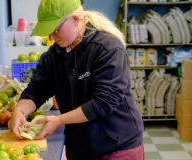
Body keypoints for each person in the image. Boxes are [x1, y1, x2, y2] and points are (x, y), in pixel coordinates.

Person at [9, 0, 145, 159]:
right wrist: (18, 111)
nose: (52, 37)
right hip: (79, 147)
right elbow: (37, 90)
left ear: (75, 19)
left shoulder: (107, 49)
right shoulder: (54, 55)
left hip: (116, 147)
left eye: (55, 29)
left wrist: (59, 120)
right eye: (48, 32)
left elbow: (104, 102)